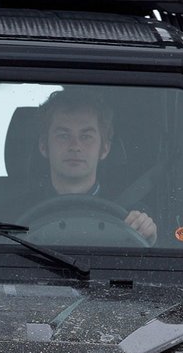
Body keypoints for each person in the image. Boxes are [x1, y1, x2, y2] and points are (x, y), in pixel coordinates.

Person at [34, 89, 157, 244]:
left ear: (104, 148)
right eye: (63, 135)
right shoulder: (13, 213)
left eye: (86, 136)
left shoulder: (132, 217)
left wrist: (150, 241)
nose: (75, 146)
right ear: (44, 146)